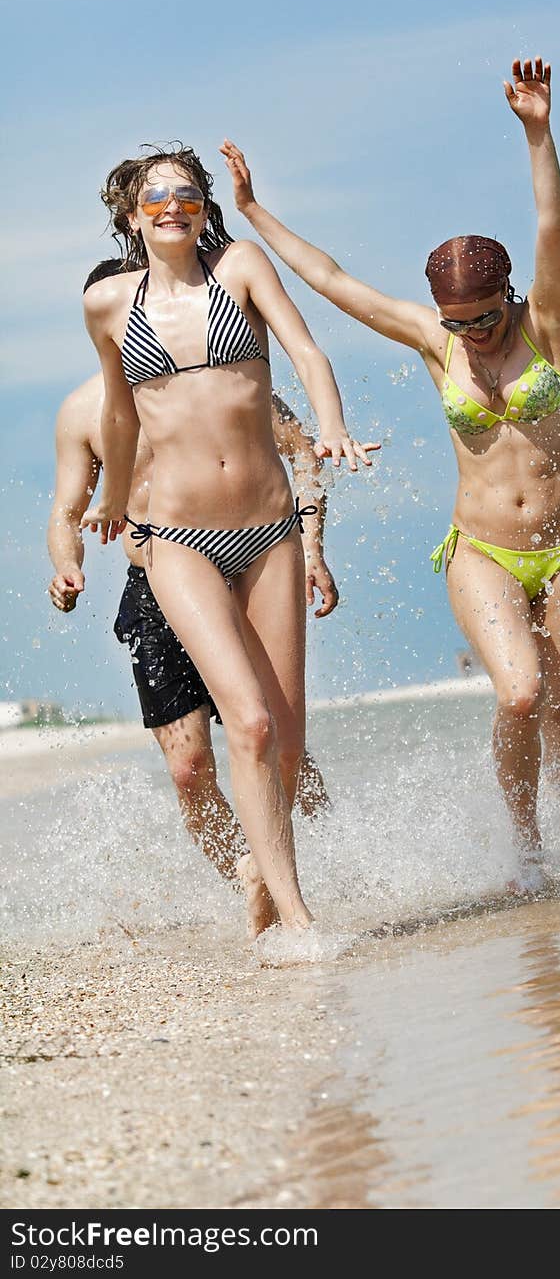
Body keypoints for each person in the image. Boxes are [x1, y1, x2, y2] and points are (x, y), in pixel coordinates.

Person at [221, 57, 560, 887]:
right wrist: (253, 211)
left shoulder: (552, 324)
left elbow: (551, 226)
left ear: (510, 295)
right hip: (483, 550)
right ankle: (526, 850)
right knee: (520, 696)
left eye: (484, 317)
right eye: (456, 323)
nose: (471, 335)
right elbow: (330, 281)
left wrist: (539, 133)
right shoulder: (438, 344)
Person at [80, 145, 376, 938]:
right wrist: (112, 500)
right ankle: (297, 918)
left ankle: (268, 882)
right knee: (244, 723)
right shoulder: (111, 304)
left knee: (284, 743)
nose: (171, 206)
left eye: (185, 193)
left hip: (270, 531)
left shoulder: (240, 268)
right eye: (154, 197)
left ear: (203, 207)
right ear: (131, 215)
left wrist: (335, 426)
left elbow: (306, 351)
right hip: (178, 537)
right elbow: (117, 413)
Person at [48, 270, 336, 877]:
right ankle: (248, 881)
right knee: (189, 769)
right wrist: (67, 564)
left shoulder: (220, 380)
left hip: (239, 569)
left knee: (280, 746)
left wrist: (311, 546)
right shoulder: (81, 413)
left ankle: (329, 866)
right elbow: (65, 513)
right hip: (155, 585)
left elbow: (303, 452)